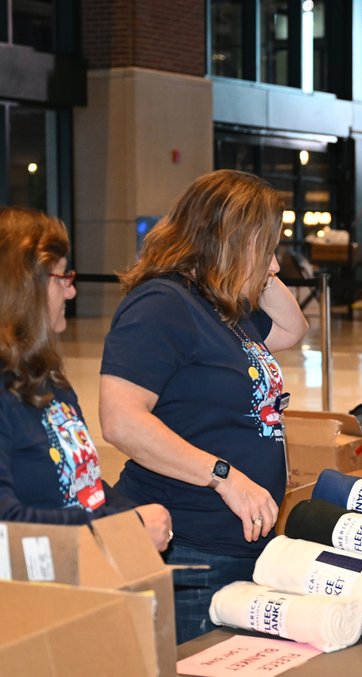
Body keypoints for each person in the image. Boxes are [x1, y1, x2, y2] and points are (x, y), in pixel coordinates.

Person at [99, 169, 310, 643]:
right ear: (230, 238)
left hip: (239, 545)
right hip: (190, 547)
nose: (275, 265)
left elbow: (293, 330)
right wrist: (224, 476)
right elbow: (120, 420)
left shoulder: (222, 305)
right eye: (267, 246)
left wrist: (260, 267)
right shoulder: (162, 304)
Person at [0, 207, 171, 547]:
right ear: (23, 289)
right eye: (63, 278)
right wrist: (126, 526)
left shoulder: (47, 378)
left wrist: (129, 514)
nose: (71, 292)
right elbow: (7, 523)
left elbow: (84, 485)